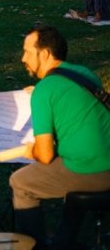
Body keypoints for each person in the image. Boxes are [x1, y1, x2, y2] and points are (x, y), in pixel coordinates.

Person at [11, 25, 110, 249]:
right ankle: (63, 241)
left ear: (45, 54)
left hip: (95, 172)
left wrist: (31, 150)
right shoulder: (84, 73)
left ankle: (35, 246)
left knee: (20, 182)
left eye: (27, 52)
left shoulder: (45, 90)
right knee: (69, 165)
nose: (22, 58)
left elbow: (45, 155)